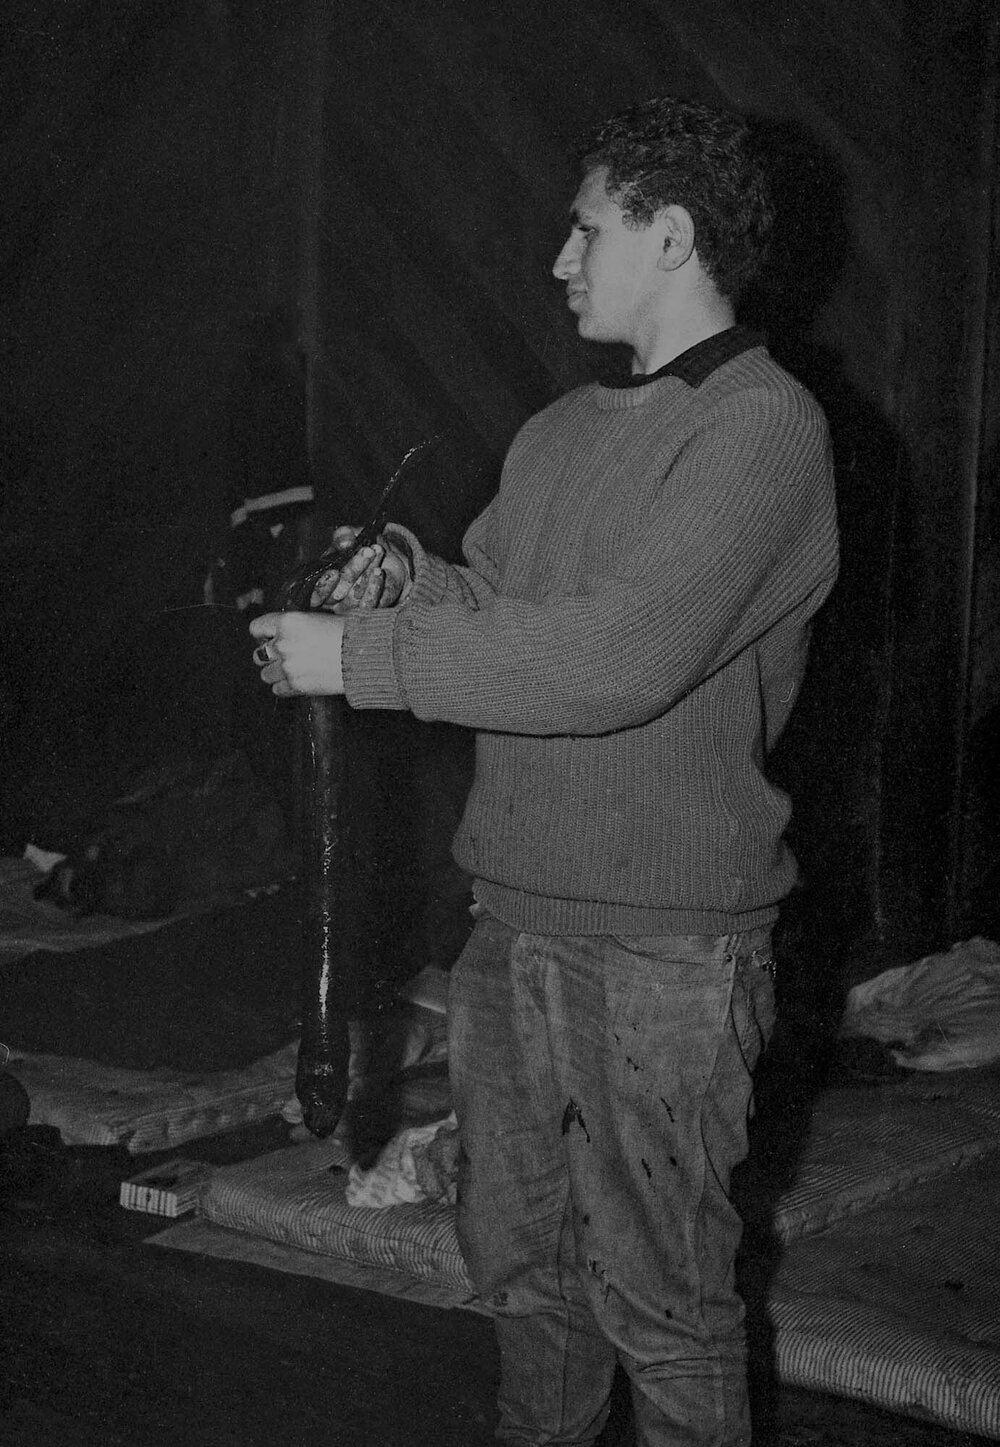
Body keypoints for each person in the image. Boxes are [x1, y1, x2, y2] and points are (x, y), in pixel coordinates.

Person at [250, 96, 838, 1447]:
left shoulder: (761, 429)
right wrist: (405, 585)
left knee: (661, 1298)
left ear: (671, 237)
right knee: (522, 1270)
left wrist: (362, 659)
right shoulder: (561, 430)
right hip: (511, 926)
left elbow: (616, 659)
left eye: (585, 230)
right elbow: (504, 618)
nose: (559, 260)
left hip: (663, 948)